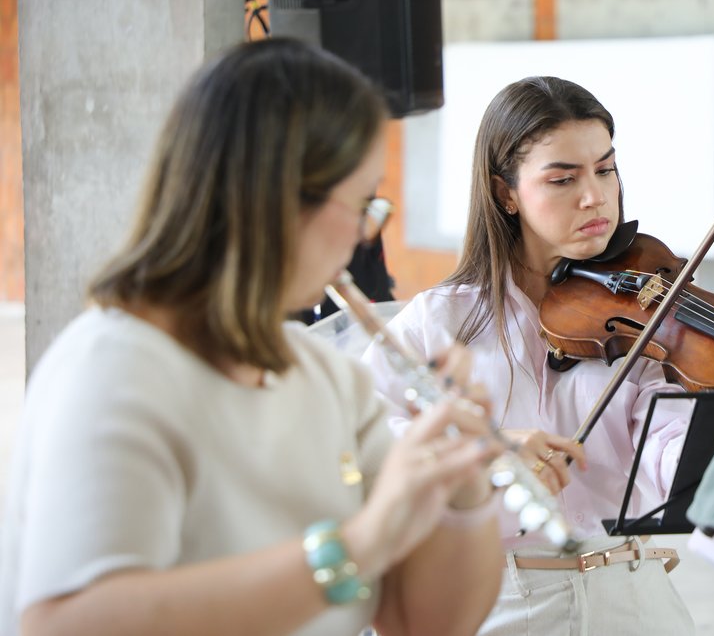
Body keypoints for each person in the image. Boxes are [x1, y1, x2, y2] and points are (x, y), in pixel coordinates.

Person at [0, 38, 505, 636]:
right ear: (277, 200)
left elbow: (422, 622)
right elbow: (67, 623)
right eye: (364, 203)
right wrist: (356, 547)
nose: (366, 238)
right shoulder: (115, 368)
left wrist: (464, 482)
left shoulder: (328, 376)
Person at [363, 76, 696, 635]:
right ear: (505, 194)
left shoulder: (645, 318)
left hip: (636, 595)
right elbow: (360, 436)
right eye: (563, 179)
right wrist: (479, 454)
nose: (595, 196)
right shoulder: (440, 320)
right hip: (502, 602)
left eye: (606, 170)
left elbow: (666, 445)